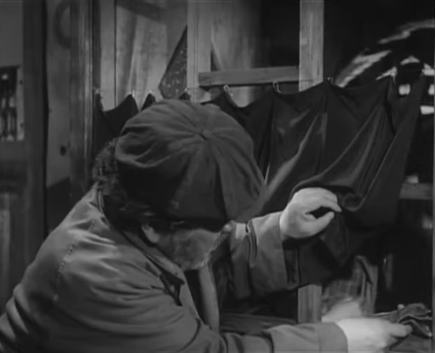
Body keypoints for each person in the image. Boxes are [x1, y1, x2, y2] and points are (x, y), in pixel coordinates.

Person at [0, 100, 411, 353]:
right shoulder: (95, 276)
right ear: (154, 227)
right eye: (218, 226)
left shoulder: (137, 207)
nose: (227, 232)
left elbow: (201, 259)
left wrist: (279, 229)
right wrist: (337, 340)